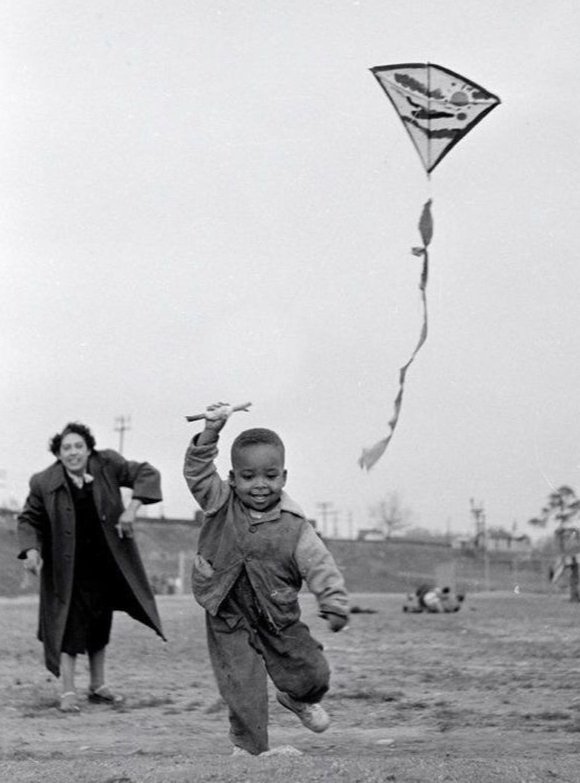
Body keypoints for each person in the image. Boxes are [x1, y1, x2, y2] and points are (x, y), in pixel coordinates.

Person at [183, 403, 349, 756]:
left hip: (278, 614)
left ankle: (298, 698)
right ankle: (251, 750)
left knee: (312, 672)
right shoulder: (219, 502)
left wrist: (333, 601)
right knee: (241, 682)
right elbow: (197, 472)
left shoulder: (295, 526)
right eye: (248, 476)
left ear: (284, 477)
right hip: (227, 609)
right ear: (232, 477)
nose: (260, 484)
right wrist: (210, 432)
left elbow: (320, 564)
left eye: (270, 476)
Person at [17, 422, 165, 713]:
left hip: (104, 564)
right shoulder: (43, 482)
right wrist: (32, 550)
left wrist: (131, 510)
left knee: (100, 624)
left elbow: (148, 473)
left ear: (88, 448)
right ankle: (68, 691)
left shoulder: (107, 463)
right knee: (69, 627)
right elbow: (28, 519)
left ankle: (98, 686)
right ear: (58, 453)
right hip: (65, 570)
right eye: (66, 448)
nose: (73, 453)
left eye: (78, 446)